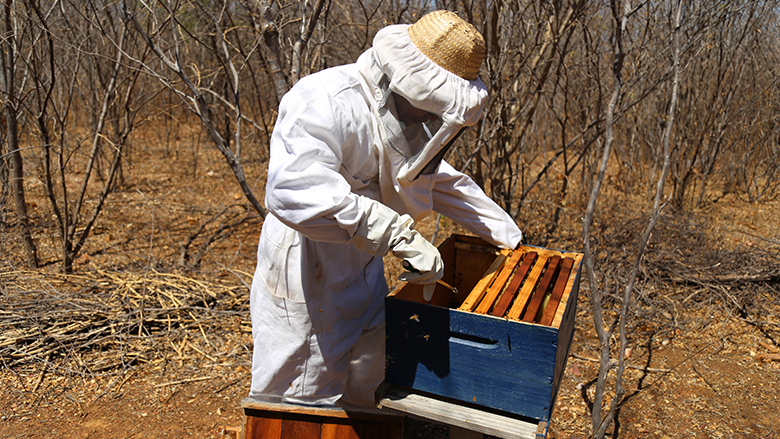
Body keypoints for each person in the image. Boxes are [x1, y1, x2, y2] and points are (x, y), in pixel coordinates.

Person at [249, 10, 523, 408]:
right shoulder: (325, 98)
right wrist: (398, 233)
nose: (432, 117)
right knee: (301, 396)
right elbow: (293, 188)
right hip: (307, 267)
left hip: (362, 267)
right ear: (403, 80)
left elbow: (435, 179)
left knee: (366, 379)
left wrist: (509, 234)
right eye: (431, 104)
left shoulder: (407, 120)